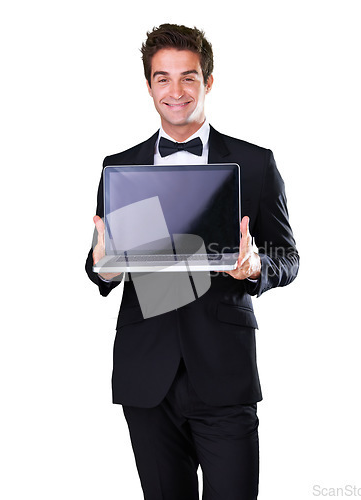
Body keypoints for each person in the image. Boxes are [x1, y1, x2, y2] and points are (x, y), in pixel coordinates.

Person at [85, 23, 299, 500]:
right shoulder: (120, 166)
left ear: (208, 82)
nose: (176, 91)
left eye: (188, 77)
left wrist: (258, 265)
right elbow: (100, 260)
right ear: (149, 85)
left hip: (224, 373)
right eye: (163, 78)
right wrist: (106, 268)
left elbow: (288, 255)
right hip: (147, 378)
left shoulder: (255, 163)